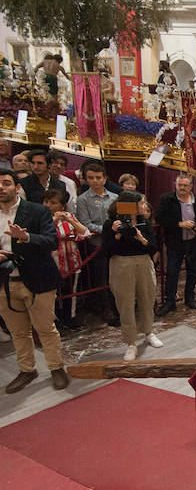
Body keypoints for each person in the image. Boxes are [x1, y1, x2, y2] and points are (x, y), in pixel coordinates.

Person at [0, 169, 70, 393]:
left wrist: (26, 237)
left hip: (37, 278)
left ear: (17, 187)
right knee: (18, 331)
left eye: (6, 183)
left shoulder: (37, 211)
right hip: (4, 282)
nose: (1, 188)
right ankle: (27, 370)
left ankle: (56, 368)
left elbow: (51, 241)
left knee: (45, 328)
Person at [103, 191, 162, 360]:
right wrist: (117, 234)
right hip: (121, 264)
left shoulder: (144, 222)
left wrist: (141, 239)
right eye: (141, 203)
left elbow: (153, 248)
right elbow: (106, 251)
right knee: (126, 303)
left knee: (147, 299)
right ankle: (130, 342)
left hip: (143, 263)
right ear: (129, 205)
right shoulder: (110, 224)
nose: (144, 206)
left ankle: (148, 332)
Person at [75, 162, 119, 325]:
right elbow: (85, 223)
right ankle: (106, 309)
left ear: (104, 178)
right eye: (91, 178)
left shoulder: (115, 197)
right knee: (102, 278)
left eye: (98, 178)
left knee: (116, 275)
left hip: (115, 243)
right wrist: (109, 229)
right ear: (86, 179)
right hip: (97, 245)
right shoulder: (82, 200)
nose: (95, 181)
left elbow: (122, 217)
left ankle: (118, 306)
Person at [157, 174, 196, 314]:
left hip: (194, 242)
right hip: (175, 242)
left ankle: (190, 297)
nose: (182, 188)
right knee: (172, 272)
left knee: (193, 271)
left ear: (191, 186)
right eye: (180, 185)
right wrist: (179, 224)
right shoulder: (167, 199)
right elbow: (160, 218)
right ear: (175, 185)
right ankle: (170, 301)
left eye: (185, 185)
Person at [43, 189, 88, 329]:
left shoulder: (69, 216)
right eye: (46, 202)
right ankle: (54, 319)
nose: (48, 205)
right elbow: (42, 237)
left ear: (62, 206)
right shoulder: (40, 218)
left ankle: (70, 317)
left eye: (53, 203)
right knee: (52, 293)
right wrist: (53, 221)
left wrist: (69, 220)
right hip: (52, 262)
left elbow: (84, 233)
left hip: (71, 260)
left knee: (71, 291)